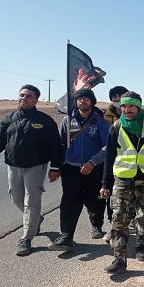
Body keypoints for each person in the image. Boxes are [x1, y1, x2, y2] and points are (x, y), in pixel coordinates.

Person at [0, 84, 62, 256]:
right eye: (22, 95)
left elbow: (55, 146)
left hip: (36, 166)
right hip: (13, 165)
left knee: (31, 201)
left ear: (36, 100)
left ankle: (26, 238)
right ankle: (35, 219)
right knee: (16, 198)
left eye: (29, 96)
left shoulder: (45, 121)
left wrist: (55, 168)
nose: (24, 98)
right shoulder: (8, 118)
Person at [99, 91, 144, 274]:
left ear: (138, 107)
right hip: (122, 179)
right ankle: (119, 258)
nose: (126, 110)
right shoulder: (116, 127)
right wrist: (105, 184)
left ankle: (141, 246)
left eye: (130, 106)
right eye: (123, 106)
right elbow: (109, 157)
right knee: (119, 217)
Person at [48, 88, 110, 251]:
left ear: (92, 101)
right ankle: (66, 236)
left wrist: (92, 162)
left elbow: (108, 147)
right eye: (79, 99)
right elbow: (61, 145)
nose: (82, 101)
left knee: (94, 199)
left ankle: (96, 225)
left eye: (86, 99)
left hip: (94, 168)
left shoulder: (101, 123)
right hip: (71, 169)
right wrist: (58, 166)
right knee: (69, 201)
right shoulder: (68, 121)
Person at [100, 85, 129, 242]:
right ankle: (113, 227)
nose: (117, 100)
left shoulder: (139, 117)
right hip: (112, 161)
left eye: (120, 96)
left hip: (133, 164)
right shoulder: (105, 117)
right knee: (111, 196)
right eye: (114, 97)